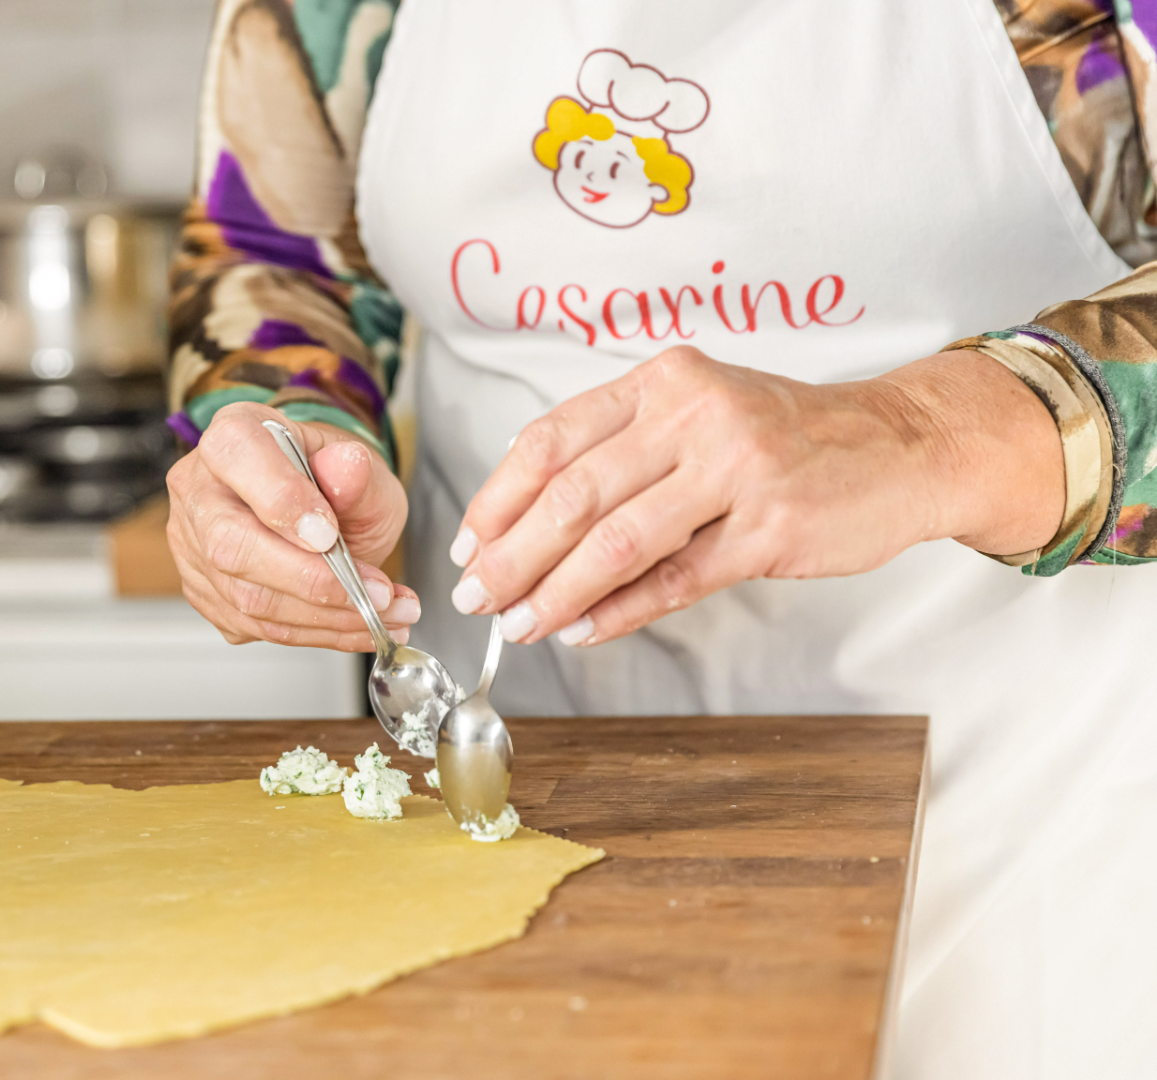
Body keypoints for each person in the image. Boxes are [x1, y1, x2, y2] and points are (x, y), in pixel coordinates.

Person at [163, 3, 1157, 1077]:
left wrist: (920, 434)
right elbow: (272, 248)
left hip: (1033, 826)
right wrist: (284, 438)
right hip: (524, 812)